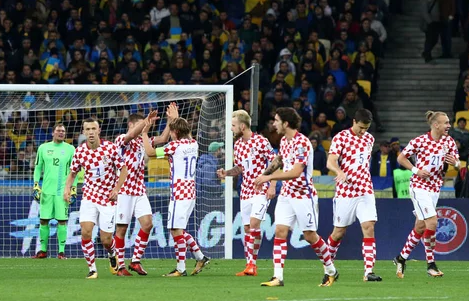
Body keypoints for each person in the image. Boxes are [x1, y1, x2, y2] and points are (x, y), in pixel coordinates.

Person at [254, 107, 338, 287]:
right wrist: (263, 175)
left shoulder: (302, 143)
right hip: (286, 195)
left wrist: (268, 177)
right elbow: (278, 161)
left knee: (309, 236)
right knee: (280, 231)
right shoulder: (284, 140)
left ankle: (331, 270)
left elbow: (296, 172)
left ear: (286, 123)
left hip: (303, 196)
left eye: (276, 120)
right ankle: (278, 277)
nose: (273, 124)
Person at [112, 103, 178, 276]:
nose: (144, 128)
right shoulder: (121, 140)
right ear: (131, 125)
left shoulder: (144, 141)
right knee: (121, 229)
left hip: (140, 190)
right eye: (140, 125)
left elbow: (163, 139)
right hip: (124, 189)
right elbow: (133, 134)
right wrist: (146, 123)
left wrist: (170, 121)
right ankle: (120, 266)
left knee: (148, 224)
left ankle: (135, 261)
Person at [393, 111, 459, 278]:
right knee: (432, 222)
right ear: (436, 125)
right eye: (445, 123)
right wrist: (416, 170)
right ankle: (431, 264)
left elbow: (458, 164)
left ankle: (401, 258)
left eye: (449, 122)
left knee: (421, 226)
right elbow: (401, 158)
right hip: (419, 186)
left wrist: (456, 163)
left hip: (435, 188)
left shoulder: (449, 142)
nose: (449, 126)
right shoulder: (420, 141)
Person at [142, 117, 210, 277]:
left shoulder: (174, 146)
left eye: (172, 131)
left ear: (176, 132)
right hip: (190, 193)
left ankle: (181, 268)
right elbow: (187, 133)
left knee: (175, 229)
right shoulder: (194, 144)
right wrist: (177, 119)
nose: (170, 134)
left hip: (179, 194)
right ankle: (200, 257)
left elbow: (150, 152)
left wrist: (144, 134)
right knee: (178, 230)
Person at [64, 118, 128, 279]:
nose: (91, 132)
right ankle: (92, 269)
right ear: (83, 132)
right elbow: (72, 173)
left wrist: (116, 189)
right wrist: (67, 189)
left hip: (108, 199)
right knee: (85, 232)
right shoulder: (80, 151)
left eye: (94, 129)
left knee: (105, 240)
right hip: (89, 196)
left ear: (99, 131)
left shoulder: (110, 148)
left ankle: (112, 253)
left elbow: (124, 169)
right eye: (88, 129)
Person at [217, 110, 276, 277]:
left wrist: (272, 185)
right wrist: (226, 173)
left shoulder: (261, 141)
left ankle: (252, 264)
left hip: (261, 189)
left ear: (243, 126)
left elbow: (275, 162)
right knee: (247, 227)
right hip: (246, 190)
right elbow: (241, 168)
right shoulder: (238, 145)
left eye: (233, 125)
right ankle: (250, 265)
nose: (231, 128)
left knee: (254, 224)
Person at [326, 108, 382, 282]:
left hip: (365, 189)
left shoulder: (369, 139)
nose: (363, 131)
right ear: (354, 122)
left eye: (366, 128)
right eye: (360, 128)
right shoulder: (341, 137)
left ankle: (368, 272)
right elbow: (331, 161)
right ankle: (328, 267)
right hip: (346, 192)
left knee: (369, 226)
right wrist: (339, 171)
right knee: (338, 233)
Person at [32, 123, 77, 259]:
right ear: (53, 133)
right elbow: (38, 168)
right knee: (43, 220)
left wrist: (73, 189)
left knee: (62, 221)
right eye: (58, 131)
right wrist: (35, 185)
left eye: (63, 131)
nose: (61, 133)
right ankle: (43, 251)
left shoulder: (70, 149)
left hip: (62, 192)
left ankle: (61, 252)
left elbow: (74, 171)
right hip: (46, 191)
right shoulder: (43, 148)